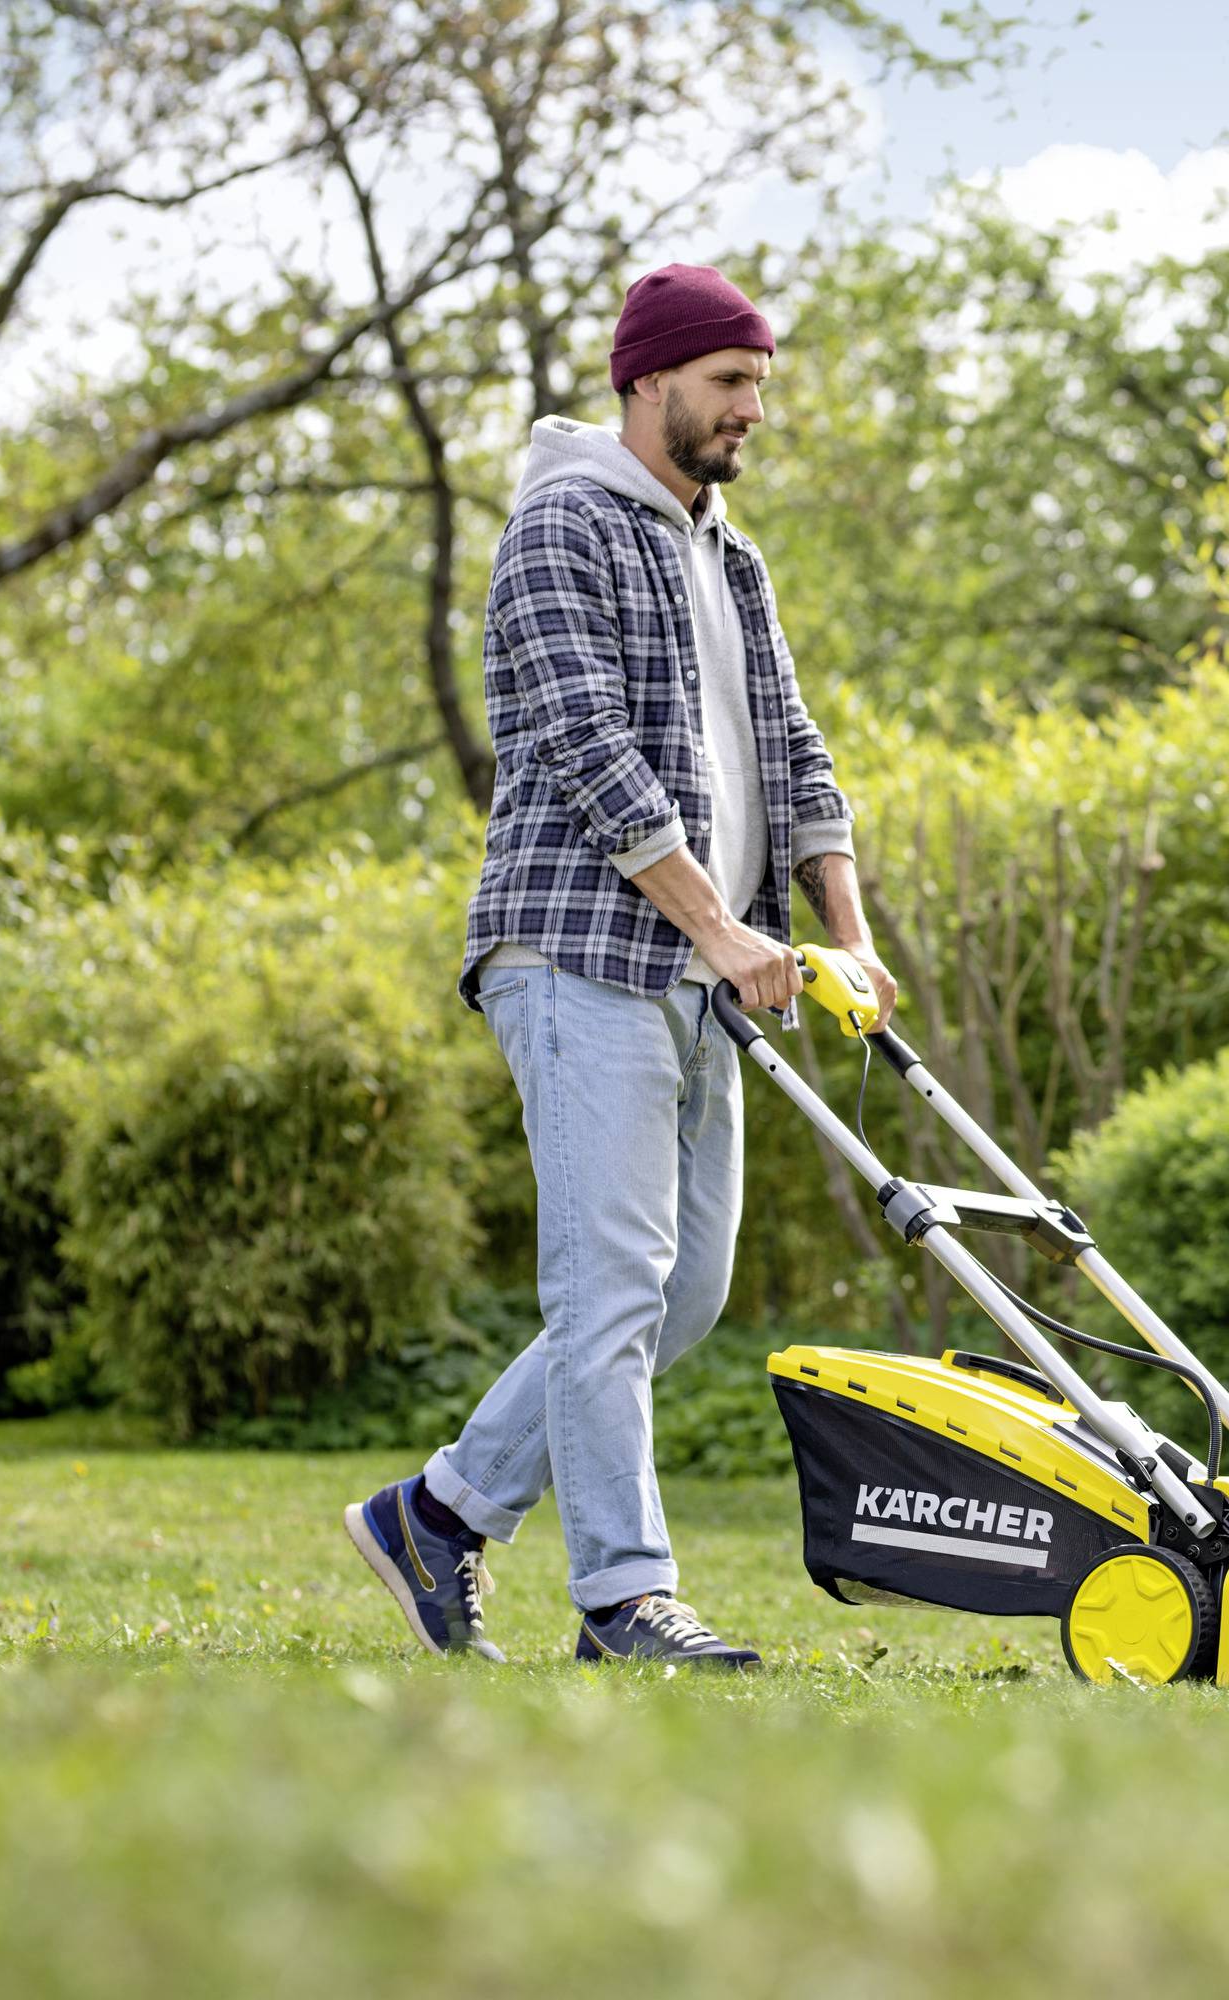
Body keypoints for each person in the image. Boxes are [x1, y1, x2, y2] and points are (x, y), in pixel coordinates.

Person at [342, 263, 901, 1669]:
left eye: (761, 385)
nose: (751, 411)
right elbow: (591, 751)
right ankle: (625, 1599)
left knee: (679, 1293)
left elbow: (796, 750)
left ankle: (442, 1512)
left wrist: (848, 931)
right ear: (646, 381)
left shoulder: (733, 555)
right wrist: (720, 928)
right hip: (579, 950)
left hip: (709, 971)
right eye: (729, 384)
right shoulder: (560, 528)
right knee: (609, 1286)